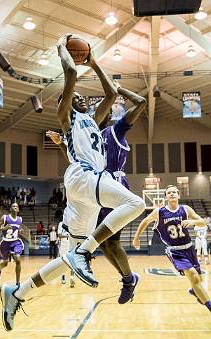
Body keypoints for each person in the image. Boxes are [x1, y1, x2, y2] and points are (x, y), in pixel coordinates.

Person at [0, 34, 145, 331]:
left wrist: (93, 60)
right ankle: (86, 251)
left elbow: (111, 94)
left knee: (69, 258)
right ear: (65, 102)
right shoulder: (66, 116)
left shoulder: (92, 118)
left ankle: (17, 292)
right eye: (75, 96)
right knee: (136, 203)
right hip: (83, 176)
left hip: (87, 189)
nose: (80, 97)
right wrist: (61, 49)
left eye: (80, 97)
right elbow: (69, 74)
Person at [47, 77, 146, 301]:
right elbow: (76, 160)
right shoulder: (86, 133)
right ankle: (124, 277)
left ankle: (126, 278)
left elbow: (139, 103)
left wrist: (117, 89)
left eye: (107, 109)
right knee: (106, 243)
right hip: (92, 186)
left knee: (110, 240)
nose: (105, 112)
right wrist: (62, 144)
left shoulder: (115, 130)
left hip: (110, 185)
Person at [133, 185, 211, 313]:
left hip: (189, 248)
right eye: (169, 192)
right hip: (175, 251)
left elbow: (202, 222)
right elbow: (145, 222)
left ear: (179, 195)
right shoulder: (159, 212)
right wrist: (136, 238)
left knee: (198, 280)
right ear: (166, 197)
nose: (172, 194)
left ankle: (194, 290)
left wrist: (193, 222)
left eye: (175, 192)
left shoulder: (186, 209)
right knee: (194, 277)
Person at [0, 203, 24, 285]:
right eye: (13, 206)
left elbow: (16, 230)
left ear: (18, 209)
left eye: (17, 206)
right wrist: (4, 228)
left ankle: (17, 282)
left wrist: (20, 231)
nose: (15, 207)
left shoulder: (20, 219)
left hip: (15, 242)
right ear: (10, 209)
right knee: (5, 263)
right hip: (5, 243)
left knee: (18, 260)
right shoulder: (5, 217)